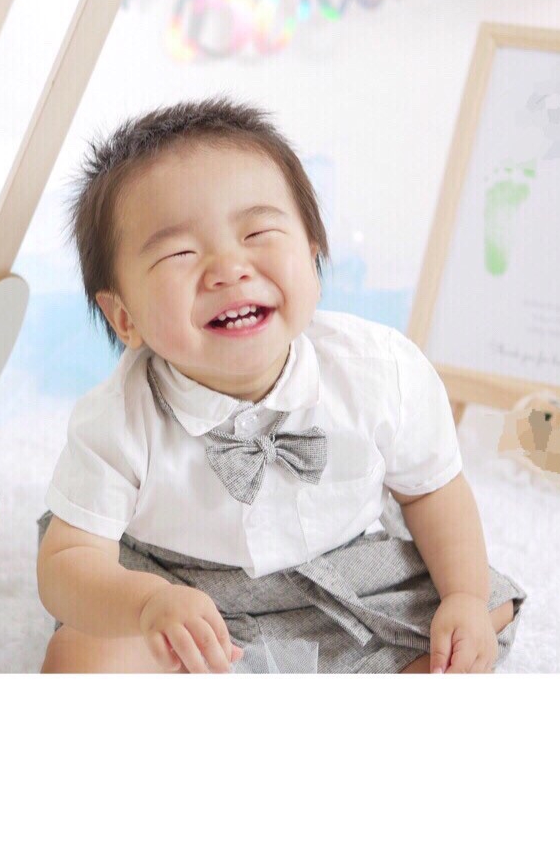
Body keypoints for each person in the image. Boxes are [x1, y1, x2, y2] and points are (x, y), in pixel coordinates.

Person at [37, 97, 524, 673]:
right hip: (176, 587)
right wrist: (145, 605)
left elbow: (431, 492)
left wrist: (462, 597)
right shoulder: (118, 419)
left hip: (342, 573)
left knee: (484, 611)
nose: (229, 268)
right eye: (180, 252)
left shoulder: (377, 371)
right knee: (80, 655)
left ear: (312, 255)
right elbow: (66, 562)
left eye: (258, 232)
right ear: (124, 318)